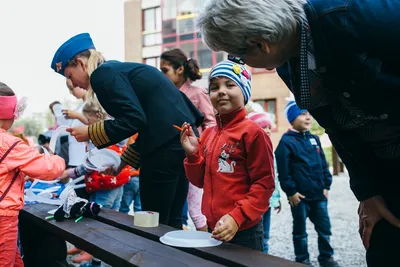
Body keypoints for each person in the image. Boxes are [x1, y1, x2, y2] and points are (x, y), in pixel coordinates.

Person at [197, 1, 400, 266]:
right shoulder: (288, 64)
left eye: (239, 54)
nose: (243, 62)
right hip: (384, 170)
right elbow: (338, 125)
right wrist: (368, 192)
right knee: (384, 248)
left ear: (261, 43)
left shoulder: (354, 15)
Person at [51, 33, 204, 229]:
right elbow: (148, 126)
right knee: (172, 220)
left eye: (70, 76)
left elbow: (134, 120)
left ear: (80, 63)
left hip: (165, 148)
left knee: (154, 221)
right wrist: (121, 164)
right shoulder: (116, 70)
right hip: (181, 142)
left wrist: (89, 132)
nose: (74, 84)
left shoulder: (101, 75)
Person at [180, 60, 275, 251]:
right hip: (213, 226)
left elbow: (264, 185)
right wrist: (192, 155)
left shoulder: (253, 133)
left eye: (230, 85)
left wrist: (237, 217)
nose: (221, 91)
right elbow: (200, 181)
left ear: (244, 92)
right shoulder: (208, 134)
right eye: (214, 87)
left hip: (244, 229)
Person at [0, 82, 65, 267]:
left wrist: (16, 177)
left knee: (14, 260)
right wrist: (55, 158)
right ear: (10, 114)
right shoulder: (9, 143)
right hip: (3, 219)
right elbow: (49, 169)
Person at [61, 101, 130, 265]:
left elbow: (90, 164)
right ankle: (98, 254)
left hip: (104, 185)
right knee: (112, 218)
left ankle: (94, 255)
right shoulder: (110, 131)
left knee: (97, 221)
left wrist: (69, 173)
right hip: (116, 183)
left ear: (91, 117)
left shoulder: (96, 137)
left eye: (85, 119)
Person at [274, 101, 338, 267]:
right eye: (302, 114)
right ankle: (302, 259)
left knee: (324, 229)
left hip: (319, 195)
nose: (308, 117)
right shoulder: (286, 142)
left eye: (308, 113)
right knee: (300, 232)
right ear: (292, 118)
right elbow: (284, 171)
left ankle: (326, 257)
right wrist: (291, 192)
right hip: (300, 197)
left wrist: (326, 185)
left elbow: (323, 164)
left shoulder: (314, 139)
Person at [161, 48, 215, 231]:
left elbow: (210, 123)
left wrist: (204, 149)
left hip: (194, 158)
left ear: (180, 70)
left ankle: (211, 253)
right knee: (175, 210)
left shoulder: (197, 93)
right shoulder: (166, 95)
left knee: (196, 210)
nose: (162, 75)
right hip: (173, 160)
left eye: (165, 70)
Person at [247, 112, 281, 254]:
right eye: (262, 127)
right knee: (255, 235)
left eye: (268, 127)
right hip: (255, 203)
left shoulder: (271, 151)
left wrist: (277, 199)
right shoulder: (250, 151)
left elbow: (275, 178)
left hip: (268, 201)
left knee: (265, 236)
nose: (267, 130)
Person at [119, 134, 142, 214]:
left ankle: (120, 225)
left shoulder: (133, 135)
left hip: (132, 175)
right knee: (139, 208)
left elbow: (130, 149)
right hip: (143, 177)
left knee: (124, 206)